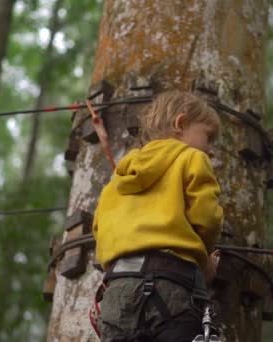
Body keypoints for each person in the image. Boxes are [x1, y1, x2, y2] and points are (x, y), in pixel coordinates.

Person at [93, 90, 224, 341]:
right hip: (171, 287)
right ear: (180, 123)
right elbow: (207, 217)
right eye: (208, 137)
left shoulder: (119, 178)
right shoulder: (192, 158)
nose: (211, 149)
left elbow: (100, 230)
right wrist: (203, 258)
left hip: (116, 293)